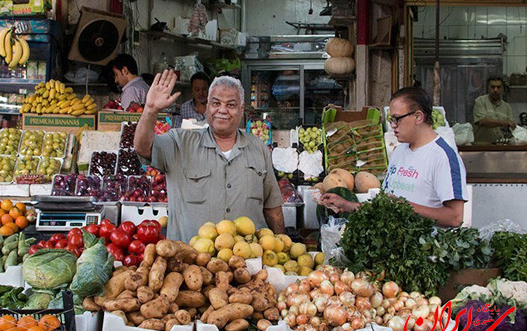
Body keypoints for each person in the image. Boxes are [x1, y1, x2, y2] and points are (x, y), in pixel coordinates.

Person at [134, 70, 285, 242]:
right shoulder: (180, 143)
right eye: (216, 103)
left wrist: (283, 249)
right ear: (207, 107)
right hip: (189, 264)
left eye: (230, 105)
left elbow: (273, 209)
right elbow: (142, 148)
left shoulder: (258, 148)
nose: (222, 110)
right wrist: (150, 110)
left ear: (241, 109)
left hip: (247, 261)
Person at [321, 87, 468, 228]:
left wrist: (406, 207)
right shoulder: (400, 151)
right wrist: (347, 205)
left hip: (425, 251)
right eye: (391, 120)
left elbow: (455, 217)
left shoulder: (443, 157)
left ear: (418, 117)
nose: (392, 126)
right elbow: (386, 206)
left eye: (397, 119)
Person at [473, 76, 516, 143]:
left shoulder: (507, 107)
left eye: (498, 87)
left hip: (500, 147)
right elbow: (483, 122)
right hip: (482, 146)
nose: (495, 90)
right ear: (488, 88)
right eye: (493, 87)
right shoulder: (480, 101)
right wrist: (505, 123)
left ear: (502, 89)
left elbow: (512, 126)